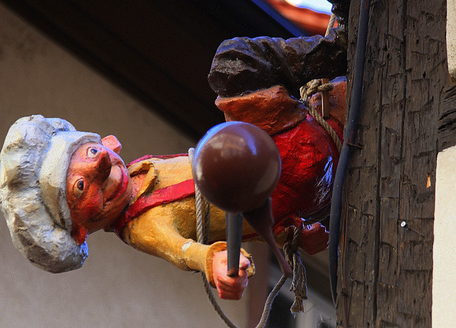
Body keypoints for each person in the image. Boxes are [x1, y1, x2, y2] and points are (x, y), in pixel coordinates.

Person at [0, 115, 328, 301]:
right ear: (79, 229)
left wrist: (292, 235)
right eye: (81, 187)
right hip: (274, 185)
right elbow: (183, 251)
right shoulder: (141, 226)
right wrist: (215, 264)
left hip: (261, 159)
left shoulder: (142, 168)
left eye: (90, 153)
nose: (100, 164)